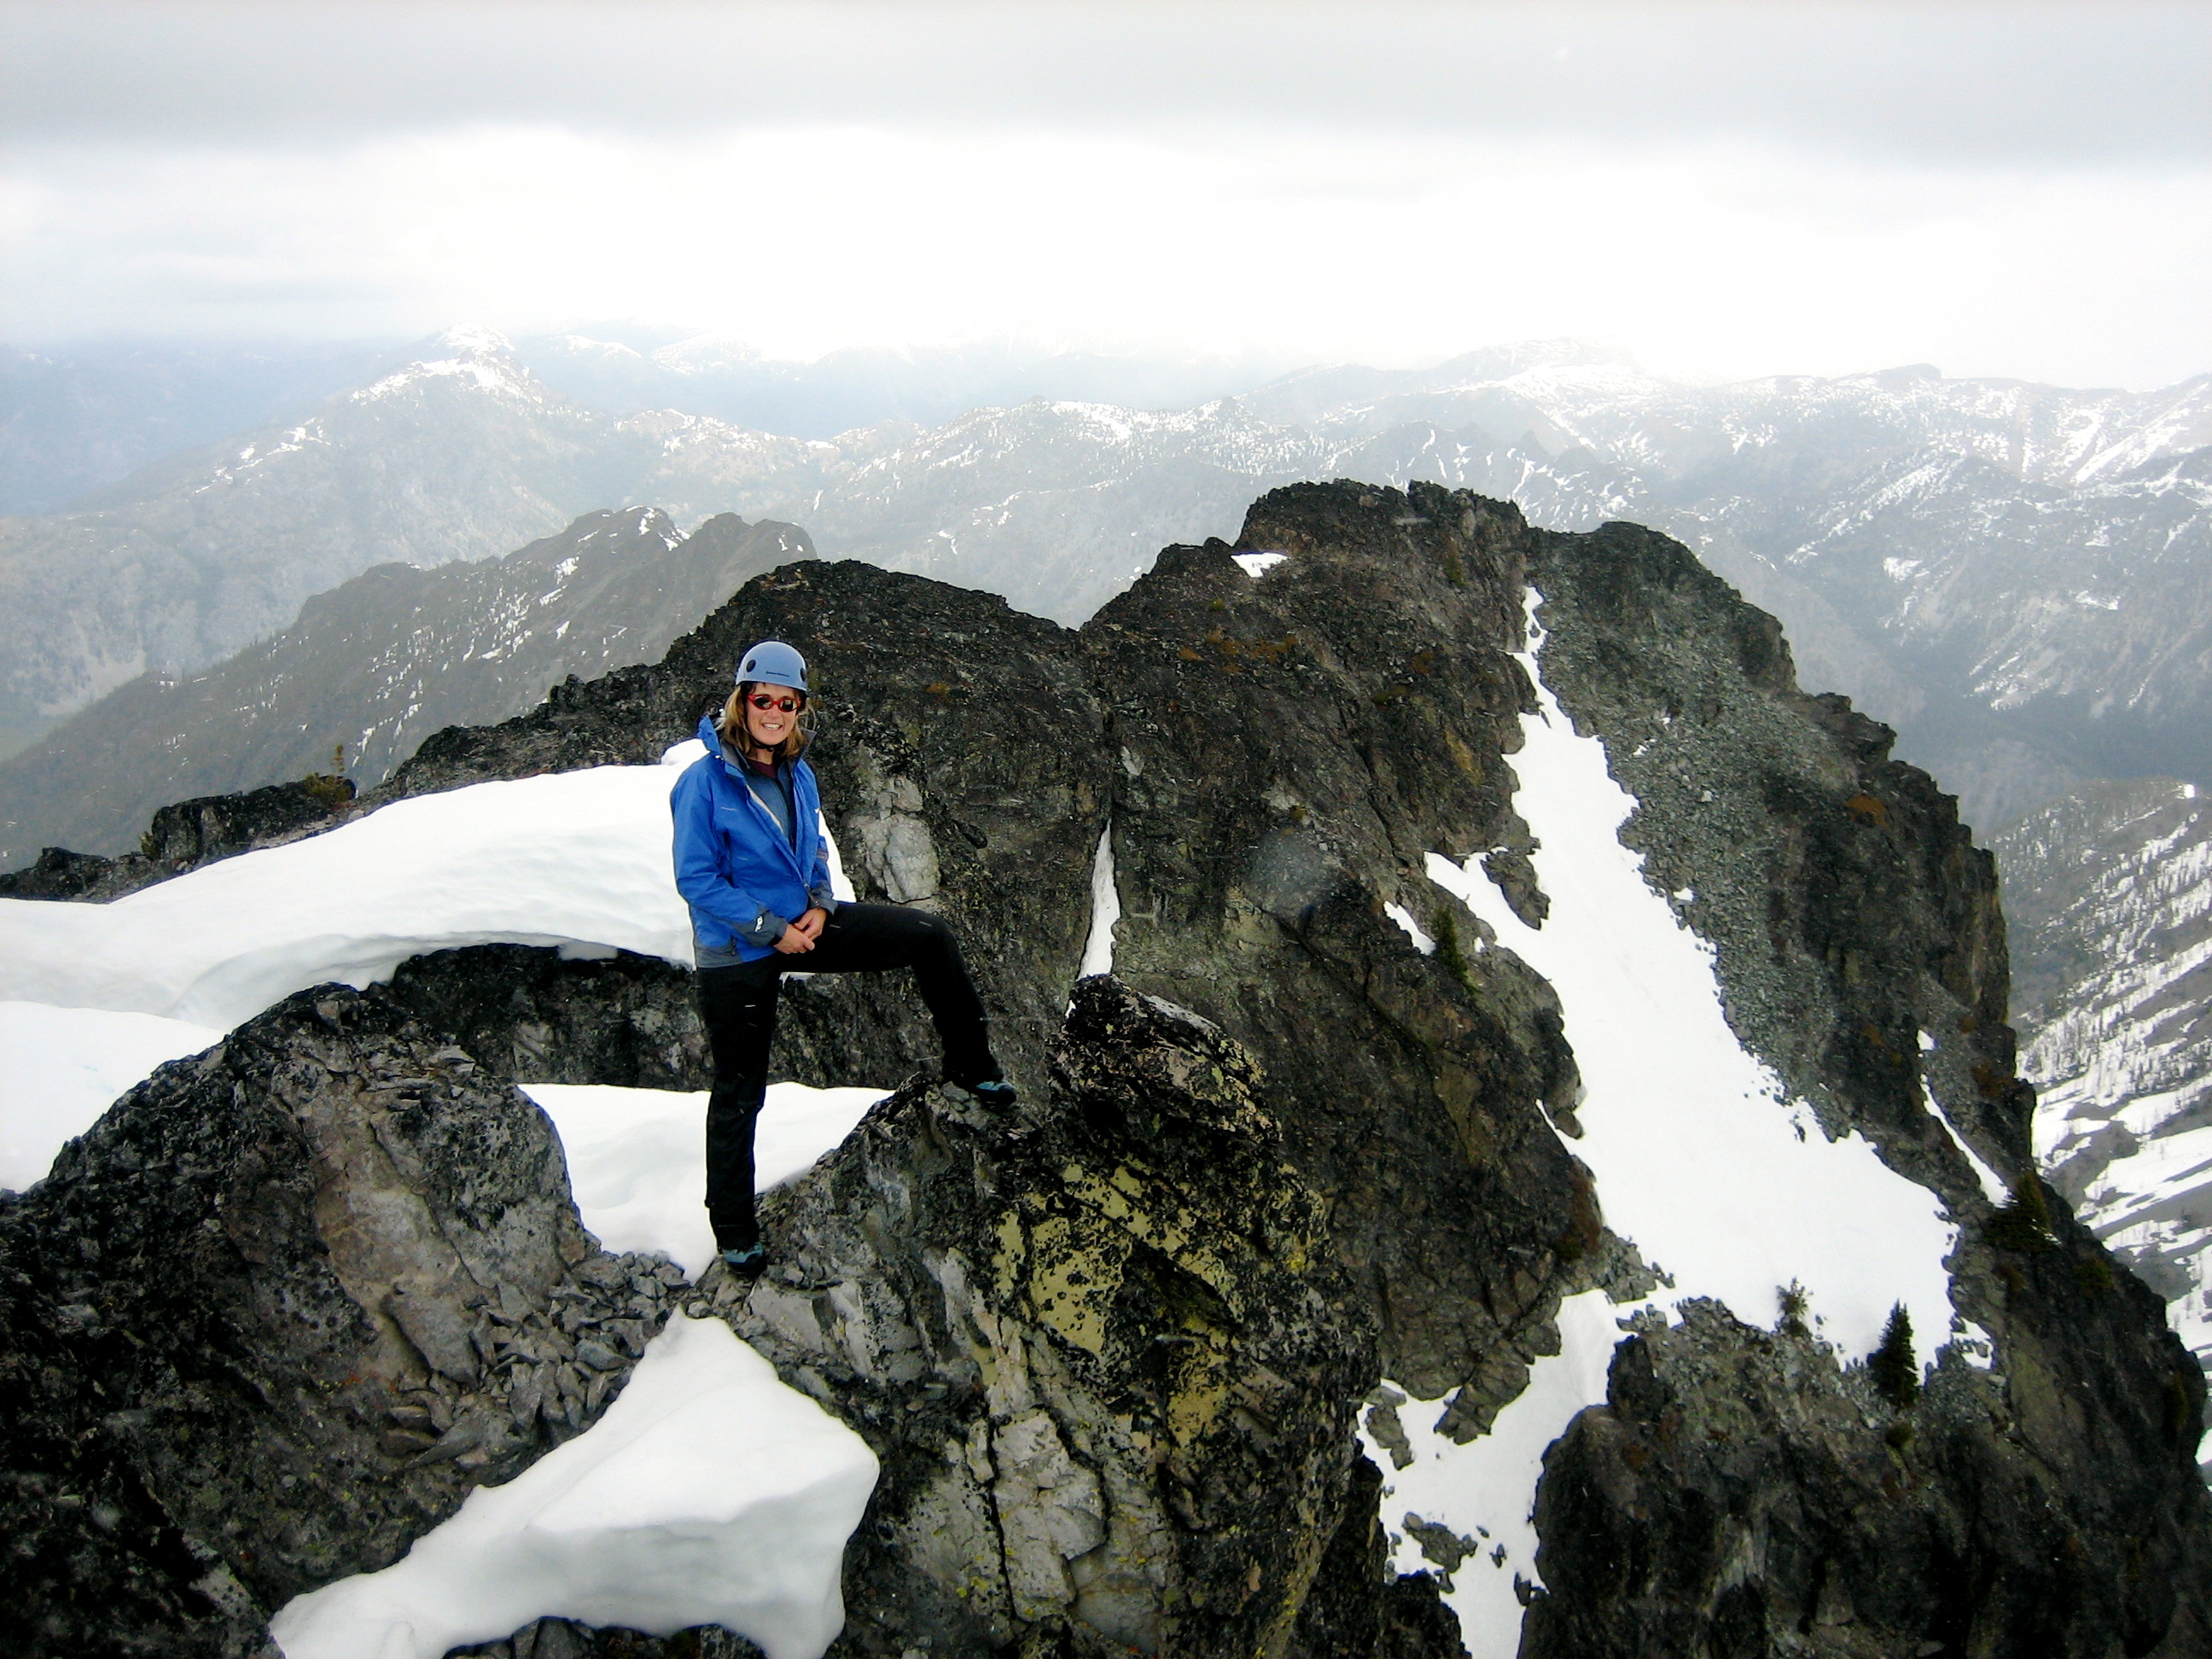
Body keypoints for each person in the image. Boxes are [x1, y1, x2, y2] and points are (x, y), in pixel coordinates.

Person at [669, 639, 1013, 1280]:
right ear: (742, 701)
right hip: (737, 949)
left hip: (805, 924)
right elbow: (697, 879)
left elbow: (814, 850)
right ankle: (735, 1230)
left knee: (928, 935)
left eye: (788, 703)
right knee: (740, 1089)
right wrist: (772, 930)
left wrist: (823, 907)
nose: (775, 712)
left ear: (800, 709)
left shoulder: (798, 773)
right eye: (764, 699)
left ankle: (973, 1068)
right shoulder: (704, 782)